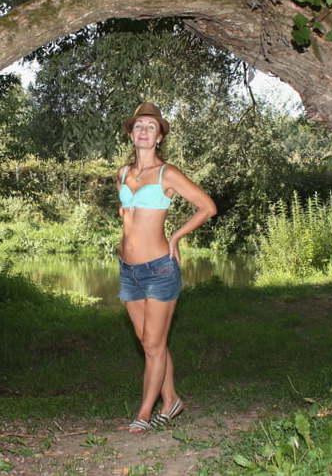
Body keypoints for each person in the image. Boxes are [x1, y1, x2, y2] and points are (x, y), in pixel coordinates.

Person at [116, 102, 216, 433]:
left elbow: (207, 207)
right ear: (131, 134)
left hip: (159, 269)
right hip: (128, 271)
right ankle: (171, 400)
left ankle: (145, 413)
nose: (144, 131)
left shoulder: (167, 174)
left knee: (154, 344)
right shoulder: (123, 174)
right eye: (139, 126)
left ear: (159, 137)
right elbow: (126, 215)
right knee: (149, 342)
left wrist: (176, 236)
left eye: (151, 126)